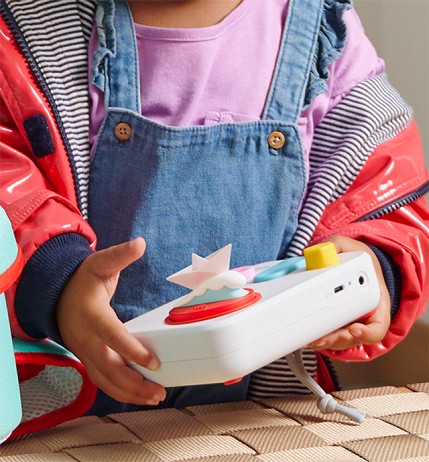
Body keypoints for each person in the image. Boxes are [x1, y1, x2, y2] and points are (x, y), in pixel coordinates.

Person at [1, 0, 428, 426]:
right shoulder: (27, 33)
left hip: (258, 415)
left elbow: (387, 191)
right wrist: (56, 283)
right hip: (69, 411)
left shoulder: (323, 33)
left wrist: (374, 265)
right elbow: (10, 183)